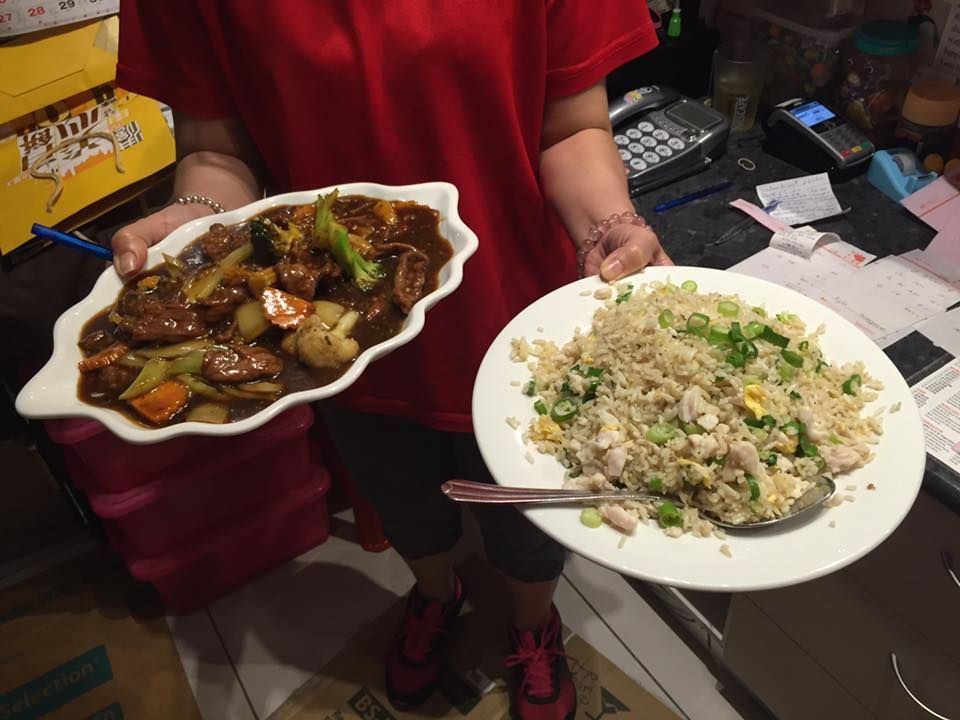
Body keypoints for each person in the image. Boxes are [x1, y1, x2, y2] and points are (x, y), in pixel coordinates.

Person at [113, 3, 671, 718]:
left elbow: (572, 125)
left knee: (528, 521)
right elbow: (216, 151)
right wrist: (199, 218)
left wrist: (611, 224)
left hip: (518, 319)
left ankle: (534, 626)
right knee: (399, 495)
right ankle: (437, 595)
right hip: (339, 332)